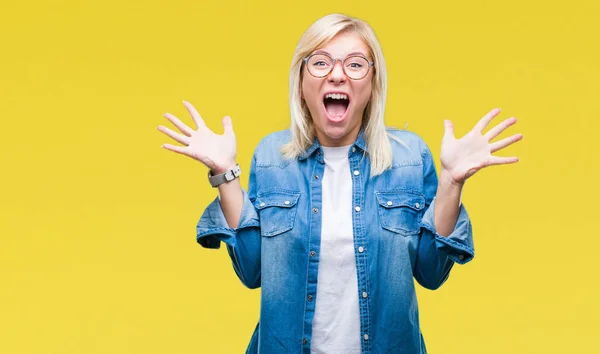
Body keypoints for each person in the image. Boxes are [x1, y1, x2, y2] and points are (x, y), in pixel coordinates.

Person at [157, 13, 522, 354]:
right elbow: (253, 271)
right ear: (301, 83)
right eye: (320, 62)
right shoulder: (271, 157)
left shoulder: (410, 156)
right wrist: (224, 173)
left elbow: (431, 272)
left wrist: (452, 183)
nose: (336, 75)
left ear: (372, 84)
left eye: (355, 64)